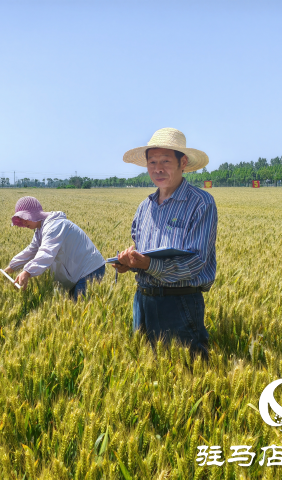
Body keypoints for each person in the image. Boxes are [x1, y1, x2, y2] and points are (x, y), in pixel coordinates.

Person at [115, 128, 217, 361]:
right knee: (145, 370)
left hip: (179, 303)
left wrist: (149, 264)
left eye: (165, 161)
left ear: (183, 162)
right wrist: (128, 264)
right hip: (142, 301)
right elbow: (142, 253)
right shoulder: (144, 207)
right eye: (152, 162)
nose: (157, 168)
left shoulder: (201, 203)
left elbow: (197, 262)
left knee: (189, 373)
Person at [1, 196, 105, 300]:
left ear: (33, 214)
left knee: (79, 307)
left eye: (24, 217)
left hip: (90, 270)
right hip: (78, 272)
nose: (23, 222)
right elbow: (30, 251)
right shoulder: (40, 230)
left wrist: (27, 272)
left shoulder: (54, 226)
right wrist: (10, 268)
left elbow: (46, 252)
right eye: (20, 219)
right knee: (72, 307)